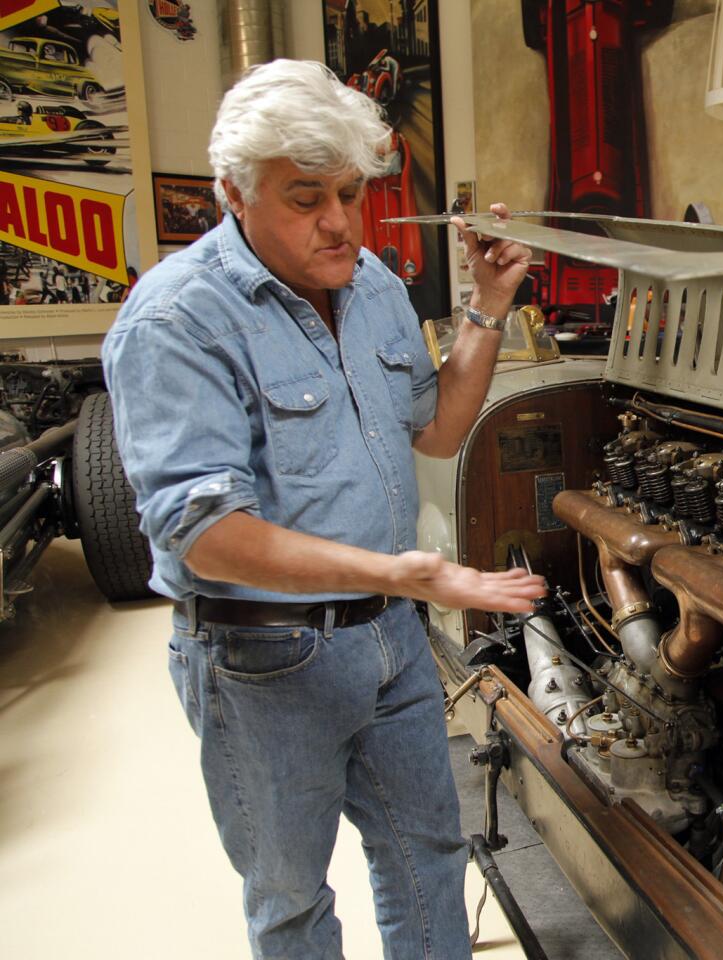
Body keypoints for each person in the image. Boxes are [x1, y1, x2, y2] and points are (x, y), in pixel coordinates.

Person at [101, 60, 545, 959]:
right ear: (233, 192)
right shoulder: (177, 321)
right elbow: (206, 535)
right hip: (264, 657)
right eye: (306, 199)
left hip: (391, 642)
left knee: (426, 853)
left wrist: (488, 308)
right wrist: (405, 570)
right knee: (293, 897)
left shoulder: (372, 284)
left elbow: (436, 429)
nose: (339, 221)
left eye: (350, 192)